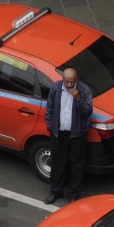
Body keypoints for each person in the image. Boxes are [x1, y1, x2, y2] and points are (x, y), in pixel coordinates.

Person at [44, 67, 93, 204]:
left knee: (76, 166)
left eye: (72, 82)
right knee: (57, 163)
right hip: (58, 134)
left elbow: (87, 112)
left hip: (77, 135)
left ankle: (74, 195)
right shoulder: (56, 88)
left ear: (76, 79)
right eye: (67, 82)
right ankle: (55, 192)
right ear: (63, 80)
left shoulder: (84, 90)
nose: (70, 85)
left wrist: (78, 99)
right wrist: (50, 126)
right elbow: (49, 109)